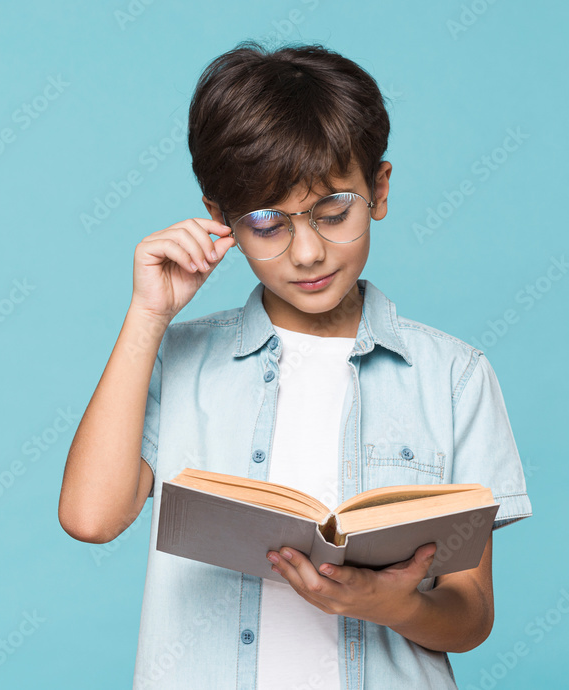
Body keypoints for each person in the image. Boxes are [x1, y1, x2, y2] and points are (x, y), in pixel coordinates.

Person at [57, 40, 533, 689]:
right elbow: (90, 517)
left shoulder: (454, 376)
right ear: (221, 220)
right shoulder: (180, 359)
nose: (307, 252)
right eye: (267, 223)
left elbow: (471, 616)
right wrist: (148, 316)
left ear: (380, 190)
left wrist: (394, 605)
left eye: (334, 211)